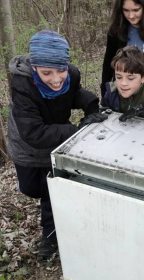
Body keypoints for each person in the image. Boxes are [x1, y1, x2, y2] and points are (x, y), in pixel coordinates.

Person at [7, 30, 107, 259]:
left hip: (56, 139)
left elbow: (74, 93)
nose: (56, 78)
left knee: (52, 188)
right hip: (27, 144)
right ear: (34, 68)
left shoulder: (71, 74)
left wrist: (91, 107)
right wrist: (78, 130)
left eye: (60, 70)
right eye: (46, 72)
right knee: (32, 188)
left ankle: (50, 235)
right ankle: (48, 205)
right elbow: (32, 132)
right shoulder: (22, 84)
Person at [101, 0, 144, 98]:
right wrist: (105, 93)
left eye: (136, 10)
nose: (131, 16)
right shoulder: (116, 30)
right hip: (122, 93)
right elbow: (108, 64)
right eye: (126, 10)